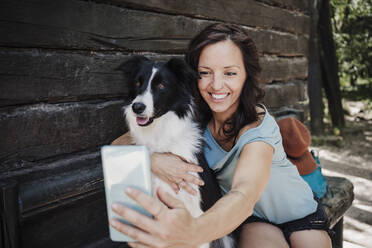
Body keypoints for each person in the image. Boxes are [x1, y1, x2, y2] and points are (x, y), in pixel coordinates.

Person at [110, 23, 332, 248]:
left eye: (230, 73)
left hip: (299, 214)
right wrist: (153, 158)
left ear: (247, 75)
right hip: (250, 220)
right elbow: (118, 144)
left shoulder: (258, 127)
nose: (216, 85)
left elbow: (244, 194)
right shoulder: (190, 121)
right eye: (205, 73)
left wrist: (192, 232)